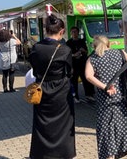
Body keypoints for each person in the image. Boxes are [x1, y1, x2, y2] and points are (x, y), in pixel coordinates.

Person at [29, 14, 76, 159]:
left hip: (42, 88)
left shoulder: (37, 47)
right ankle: (63, 154)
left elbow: (34, 66)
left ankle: (42, 154)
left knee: (42, 123)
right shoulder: (65, 49)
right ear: (61, 31)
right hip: (61, 90)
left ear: (46, 30)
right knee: (63, 124)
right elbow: (70, 71)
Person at [85, 35, 127, 159]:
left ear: (94, 46)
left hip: (105, 100)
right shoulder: (120, 53)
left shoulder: (92, 58)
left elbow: (88, 76)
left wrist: (105, 87)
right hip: (123, 98)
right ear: (108, 44)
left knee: (108, 131)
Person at [66, 26, 95, 103]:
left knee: (86, 79)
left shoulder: (82, 41)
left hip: (82, 63)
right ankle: (75, 96)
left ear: (78, 33)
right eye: (73, 32)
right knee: (74, 81)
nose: (74, 34)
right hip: (73, 64)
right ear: (71, 33)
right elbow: (67, 54)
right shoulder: (68, 43)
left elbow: (86, 51)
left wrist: (83, 51)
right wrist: (73, 55)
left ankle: (89, 95)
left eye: (75, 32)